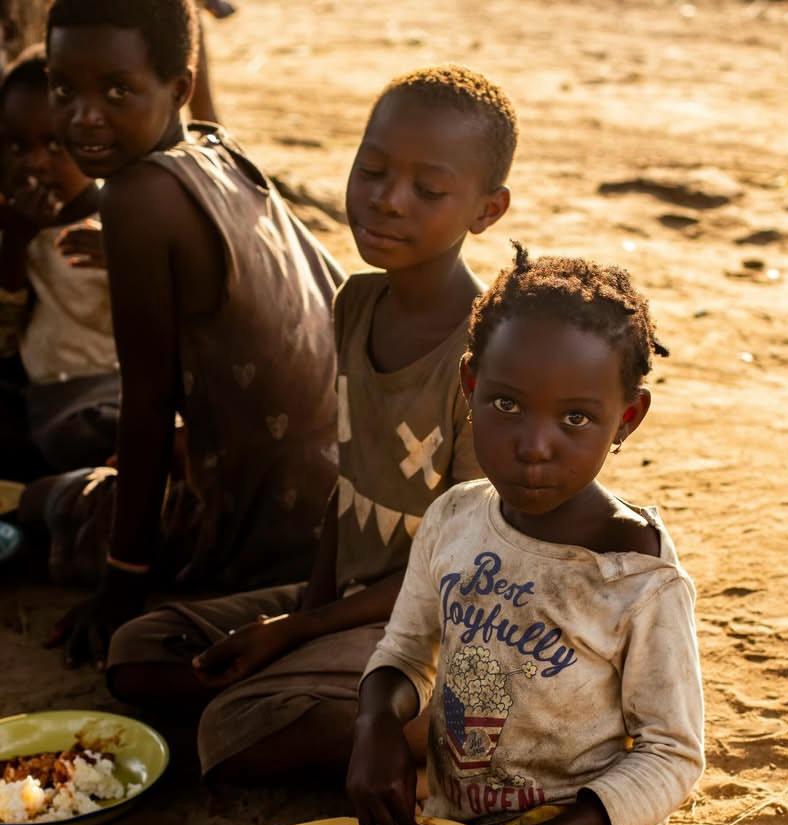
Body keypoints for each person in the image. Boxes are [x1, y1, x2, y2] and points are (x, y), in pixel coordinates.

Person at [217, 247, 788, 825]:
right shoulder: (457, 517)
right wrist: (375, 721)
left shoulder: (638, 579)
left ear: (629, 416)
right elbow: (405, 650)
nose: (534, 444)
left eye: (576, 418)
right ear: (470, 387)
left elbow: (674, 756)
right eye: (506, 404)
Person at [106, 65, 515, 782]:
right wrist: (309, 606)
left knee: (232, 724)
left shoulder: (488, 357)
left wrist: (297, 632)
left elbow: (466, 567)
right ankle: (328, 699)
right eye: (372, 170)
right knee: (139, 649)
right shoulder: (356, 304)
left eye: (428, 190)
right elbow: (348, 481)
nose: (387, 201)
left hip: (442, 629)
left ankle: (447, 729)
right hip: (346, 607)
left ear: (487, 210)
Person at [23, 0, 341, 665]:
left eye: (116, 90)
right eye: (62, 88)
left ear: (179, 88)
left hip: (250, 533)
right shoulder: (219, 149)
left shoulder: (135, 198)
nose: (83, 115)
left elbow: (145, 407)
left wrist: (122, 582)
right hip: (330, 502)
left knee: (51, 499)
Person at [0, 46, 119, 480]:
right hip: (54, 401)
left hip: (124, 390)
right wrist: (15, 242)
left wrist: (128, 256)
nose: (33, 163)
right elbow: (7, 340)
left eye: (55, 144)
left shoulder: (122, 218)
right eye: (15, 146)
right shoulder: (13, 224)